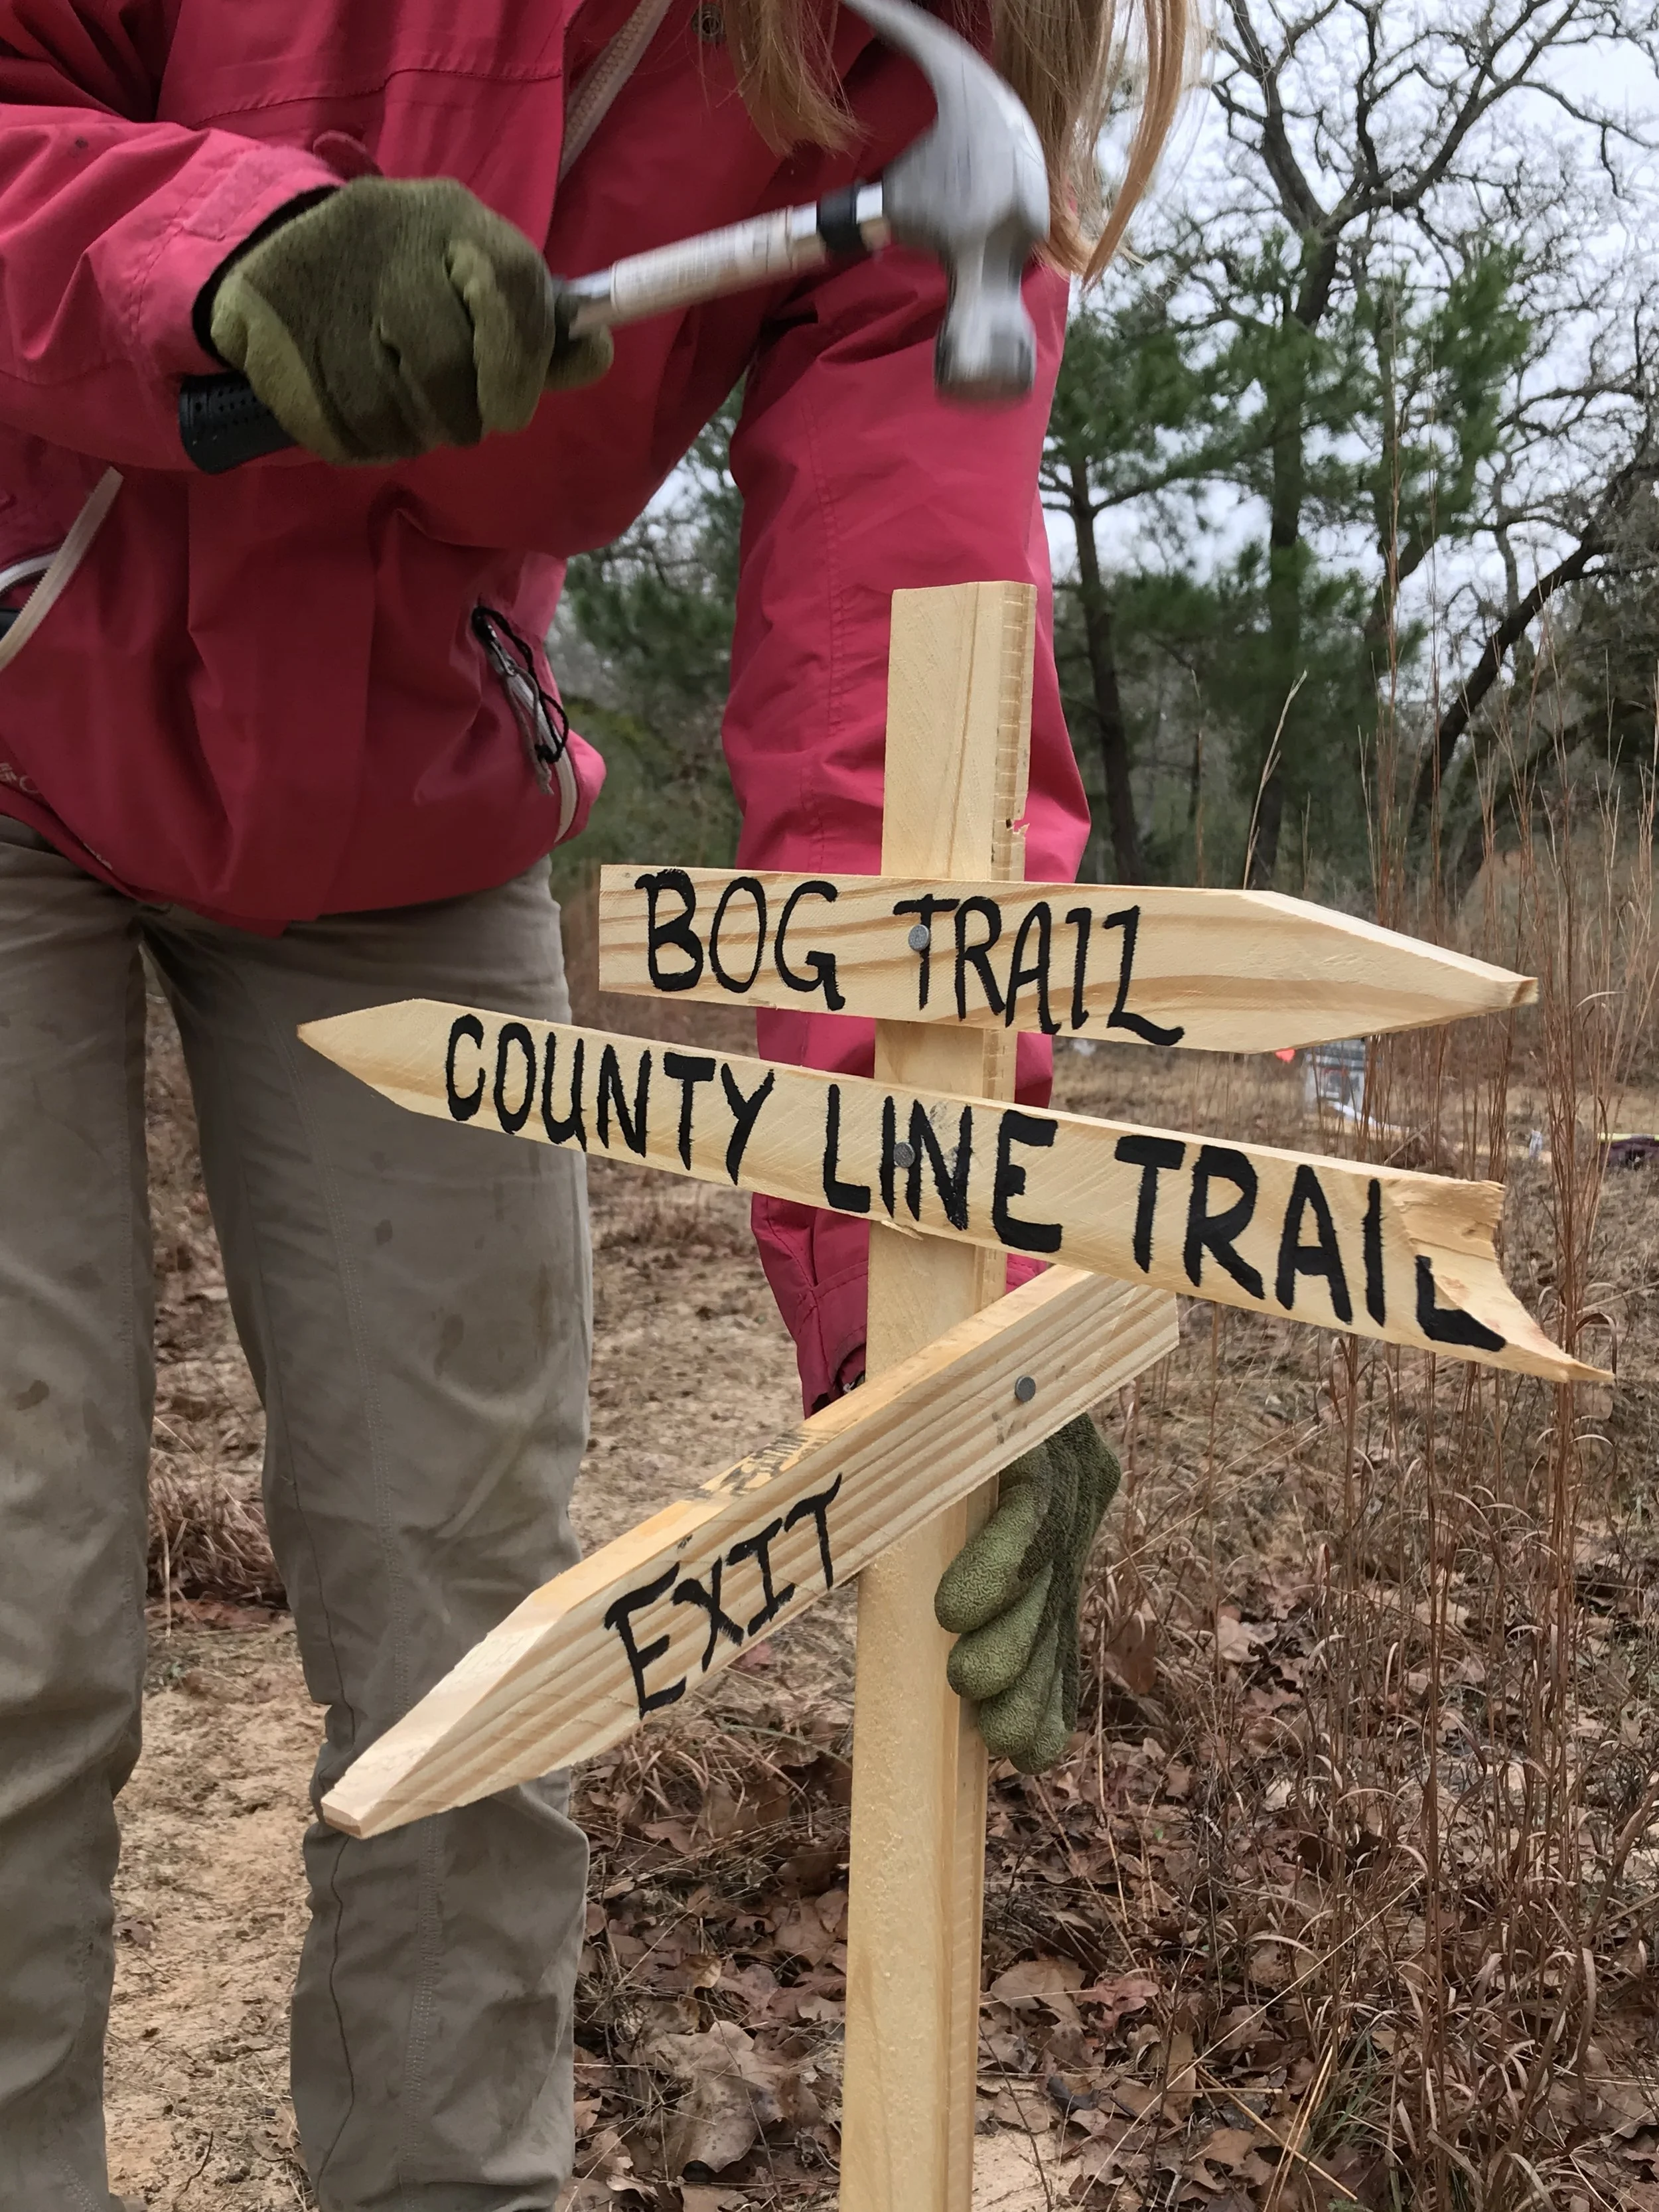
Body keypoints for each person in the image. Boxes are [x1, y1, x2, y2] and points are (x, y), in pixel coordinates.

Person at [0, 0, 1193, 2201]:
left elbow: (894, 729)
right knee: (13, 1606)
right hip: (1, 688)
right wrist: (221, 249)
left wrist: (952, 1309)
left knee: (477, 1643)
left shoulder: (894, 89)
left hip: (398, 807)